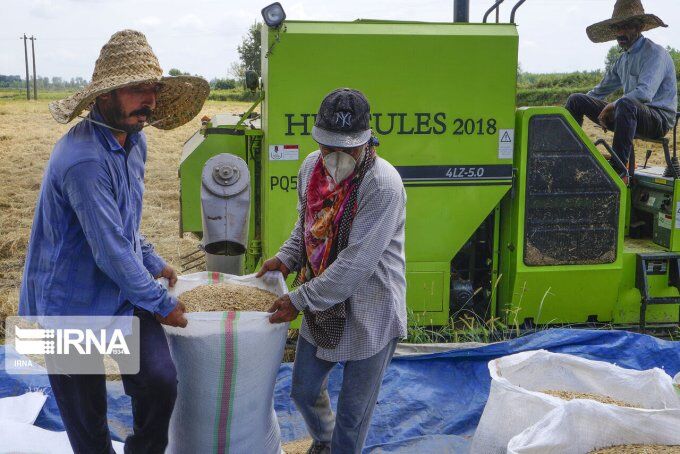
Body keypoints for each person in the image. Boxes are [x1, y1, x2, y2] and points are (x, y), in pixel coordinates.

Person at [19, 30, 209, 453]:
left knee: (160, 382)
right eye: (135, 89)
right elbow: (109, 250)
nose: (149, 100)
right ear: (103, 96)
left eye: (153, 89)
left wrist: (154, 261)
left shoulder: (134, 143)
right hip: (70, 302)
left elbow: (123, 227)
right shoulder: (82, 160)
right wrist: (162, 304)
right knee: (87, 418)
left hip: (119, 289)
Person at [258, 88, 407, 454]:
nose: (336, 157)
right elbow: (307, 226)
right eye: (329, 147)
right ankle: (323, 440)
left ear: (367, 141)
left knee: (353, 418)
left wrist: (297, 299)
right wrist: (287, 258)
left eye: (348, 148)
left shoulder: (382, 185)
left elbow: (354, 265)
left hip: (371, 306)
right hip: (323, 298)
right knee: (304, 389)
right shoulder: (311, 167)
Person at [565, 0, 677, 173]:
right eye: (616, 28)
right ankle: (565, 157)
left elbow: (644, 93)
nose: (620, 33)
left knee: (625, 103)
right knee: (576, 100)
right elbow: (599, 91)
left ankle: (617, 172)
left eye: (626, 27)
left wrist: (614, 105)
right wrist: (584, 103)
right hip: (628, 114)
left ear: (639, 27)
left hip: (657, 119)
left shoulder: (656, 54)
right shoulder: (622, 60)